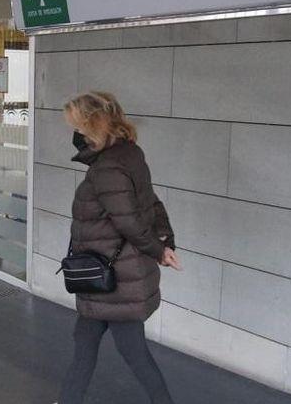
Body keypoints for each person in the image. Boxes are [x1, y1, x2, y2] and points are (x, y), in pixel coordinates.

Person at [59, 92, 181, 404]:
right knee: (83, 344)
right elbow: (151, 203)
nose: (76, 134)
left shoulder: (108, 168)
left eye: (78, 126)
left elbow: (128, 220)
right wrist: (164, 243)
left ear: (93, 124)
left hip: (114, 279)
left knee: (134, 353)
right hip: (107, 277)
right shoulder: (129, 154)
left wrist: (157, 249)